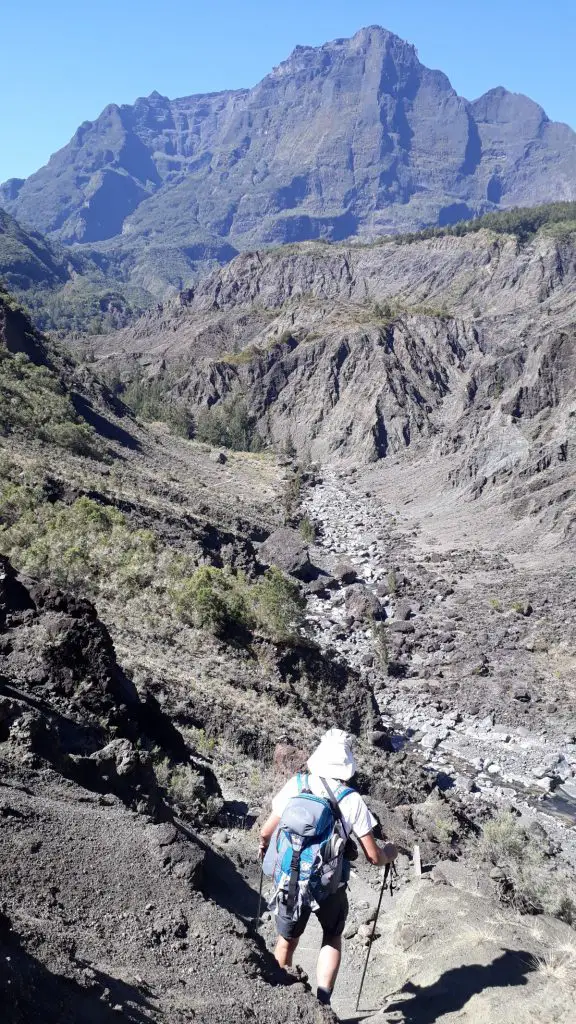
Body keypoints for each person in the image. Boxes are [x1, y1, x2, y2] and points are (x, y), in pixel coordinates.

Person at [259, 728, 397, 1006]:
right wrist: (389, 854)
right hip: (328, 884)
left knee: (286, 939)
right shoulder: (351, 799)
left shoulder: (297, 785)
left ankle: (281, 999)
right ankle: (322, 1002)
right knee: (332, 935)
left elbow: (265, 832)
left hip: (291, 880)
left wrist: (264, 848)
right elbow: (373, 856)